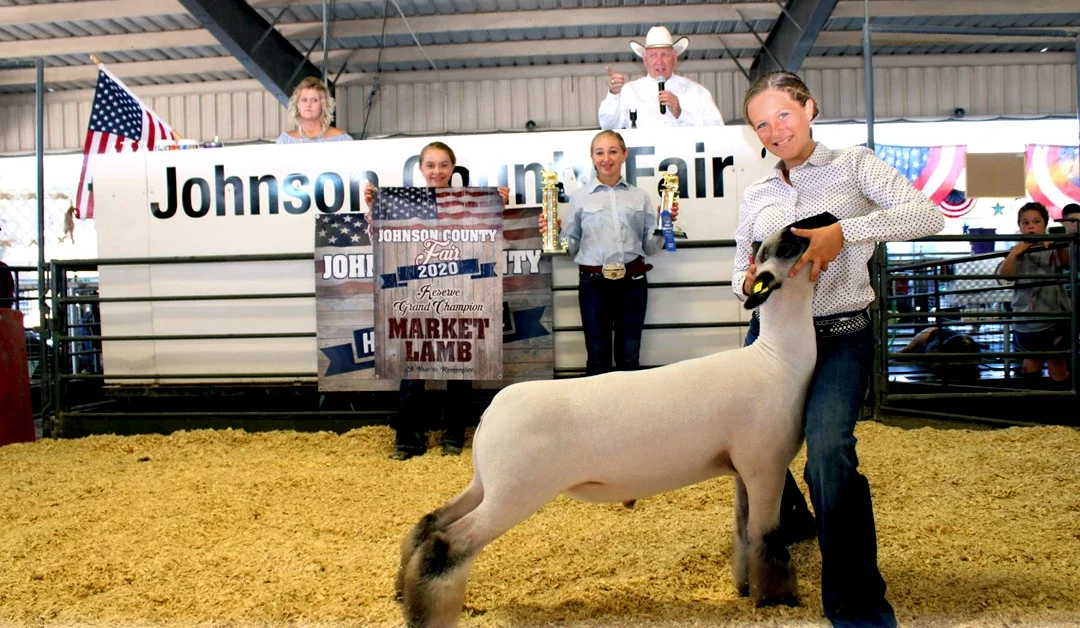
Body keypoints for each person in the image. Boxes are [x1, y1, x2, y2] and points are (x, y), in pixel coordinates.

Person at [735, 71, 943, 627]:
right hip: (771, 343)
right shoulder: (757, 194)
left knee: (827, 454)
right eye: (762, 123)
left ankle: (858, 606)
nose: (775, 129)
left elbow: (927, 213)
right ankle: (774, 548)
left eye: (783, 114)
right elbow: (740, 268)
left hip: (839, 333)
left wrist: (845, 232)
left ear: (809, 109)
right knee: (754, 456)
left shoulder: (854, 164)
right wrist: (751, 282)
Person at [365, 142, 509, 460]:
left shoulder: (471, 205)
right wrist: (374, 210)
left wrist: (498, 208)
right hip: (414, 295)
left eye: (443, 165)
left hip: (459, 293)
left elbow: (491, 242)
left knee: (459, 367)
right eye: (430, 165)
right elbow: (381, 243)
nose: (437, 171)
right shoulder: (403, 205)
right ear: (420, 168)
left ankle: (453, 436)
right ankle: (408, 440)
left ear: (453, 168)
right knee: (411, 370)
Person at [540, 130, 678, 376]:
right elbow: (570, 247)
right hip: (593, 286)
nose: (607, 158)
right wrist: (554, 231)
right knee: (597, 357)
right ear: (592, 158)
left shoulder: (640, 196)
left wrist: (663, 225)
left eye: (613, 151)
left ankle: (626, 414)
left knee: (629, 357)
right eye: (600, 152)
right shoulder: (580, 198)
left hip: (633, 284)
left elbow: (651, 248)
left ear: (624, 155)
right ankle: (595, 414)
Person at [997, 201, 1071, 383]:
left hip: (1053, 316)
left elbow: (1067, 263)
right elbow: (1005, 275)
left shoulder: (1053, 246)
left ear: (1045, 225)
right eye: (1025, 222)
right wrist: (1015, 254)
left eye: (1036, 221)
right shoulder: (1016, 250)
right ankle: (1034, 401)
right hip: (1025, 318)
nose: (1031, 226)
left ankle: (1061, 403)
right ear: (1020, 227)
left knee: (1057, 360)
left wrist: (1059, 245)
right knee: (1031, 360)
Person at [599, 26, 724, 130]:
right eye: (653, 55)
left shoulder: (696, 92)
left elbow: (719, 130)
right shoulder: (628, 91)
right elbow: (608, 127)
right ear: (645, 59)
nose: (659, 61)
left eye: (665, 54)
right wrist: (614, 94)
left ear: (675, 57)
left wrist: (681, 114)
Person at [276, 76, 351, 144]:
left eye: (314, 100)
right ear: (297, 104)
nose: (308, 104)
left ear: (323, 104)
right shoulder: (285, 141)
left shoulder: (340, 139)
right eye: (304, 100)